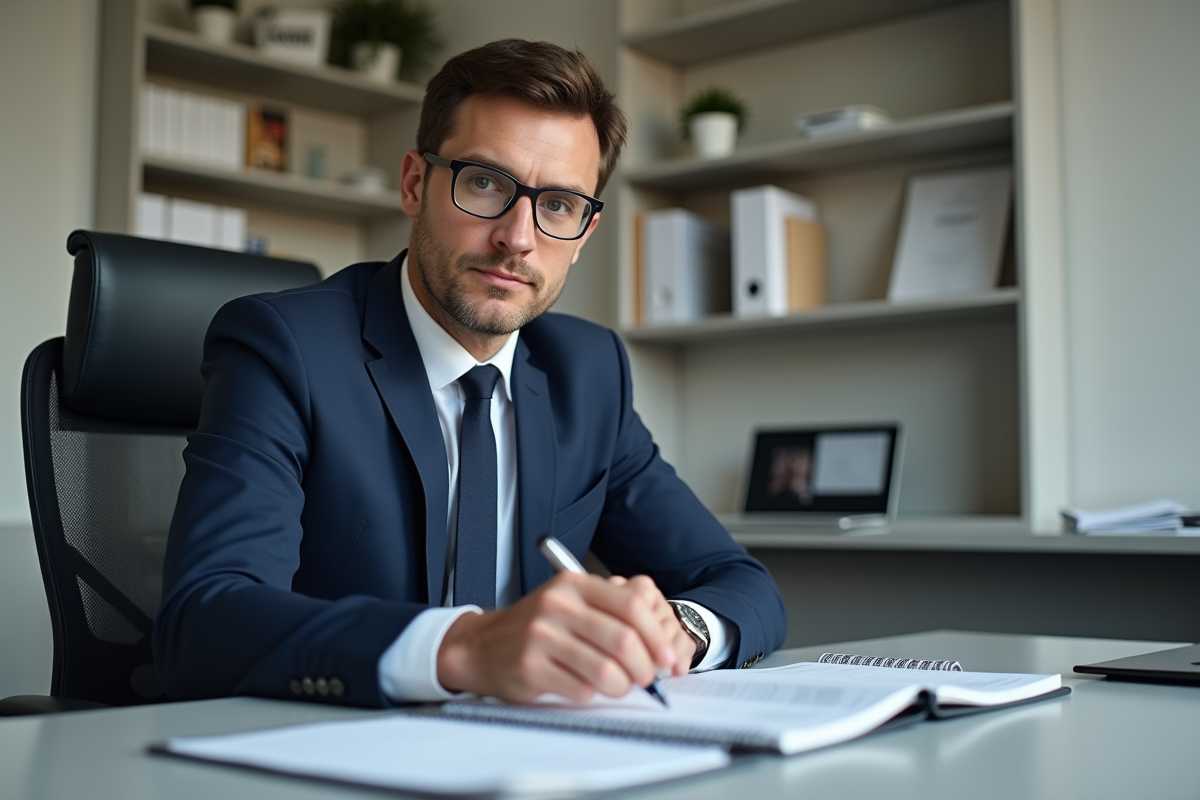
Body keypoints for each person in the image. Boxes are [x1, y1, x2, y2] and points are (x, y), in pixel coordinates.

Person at [154, 39, 787, 708]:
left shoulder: (590, 373)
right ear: (414, 184)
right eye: (485, 182)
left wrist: (679, 628)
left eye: (559, 206)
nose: (518, 238)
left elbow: (740, 582)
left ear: (583, 235)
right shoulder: (286, 349)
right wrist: (466, 648)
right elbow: (203, 622)